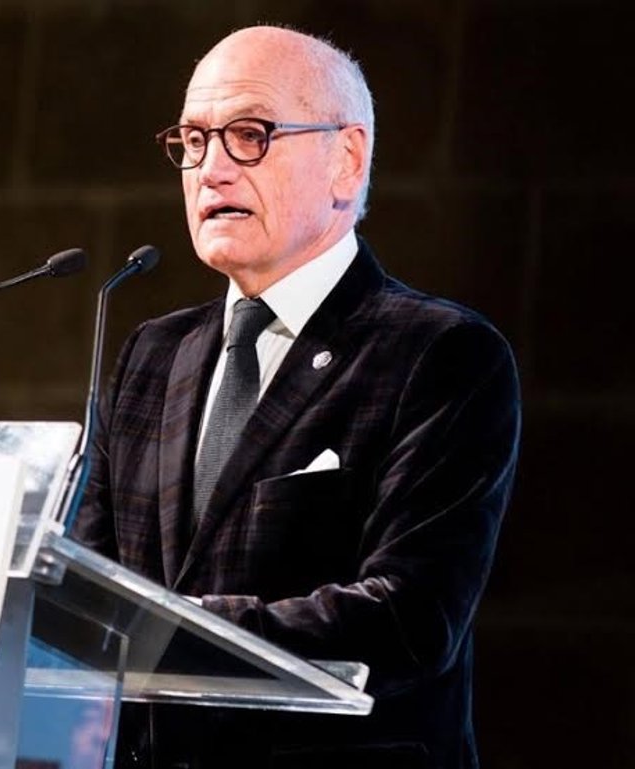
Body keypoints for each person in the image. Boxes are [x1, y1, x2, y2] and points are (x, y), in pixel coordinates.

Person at [71, 24, 520, 769]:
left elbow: (410, 617)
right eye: (193, 140)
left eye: (249, 136)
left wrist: (164, 629)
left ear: (347, 160)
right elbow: (86, 588)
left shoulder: (439, 354)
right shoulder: (153, 353)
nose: (211, 170)